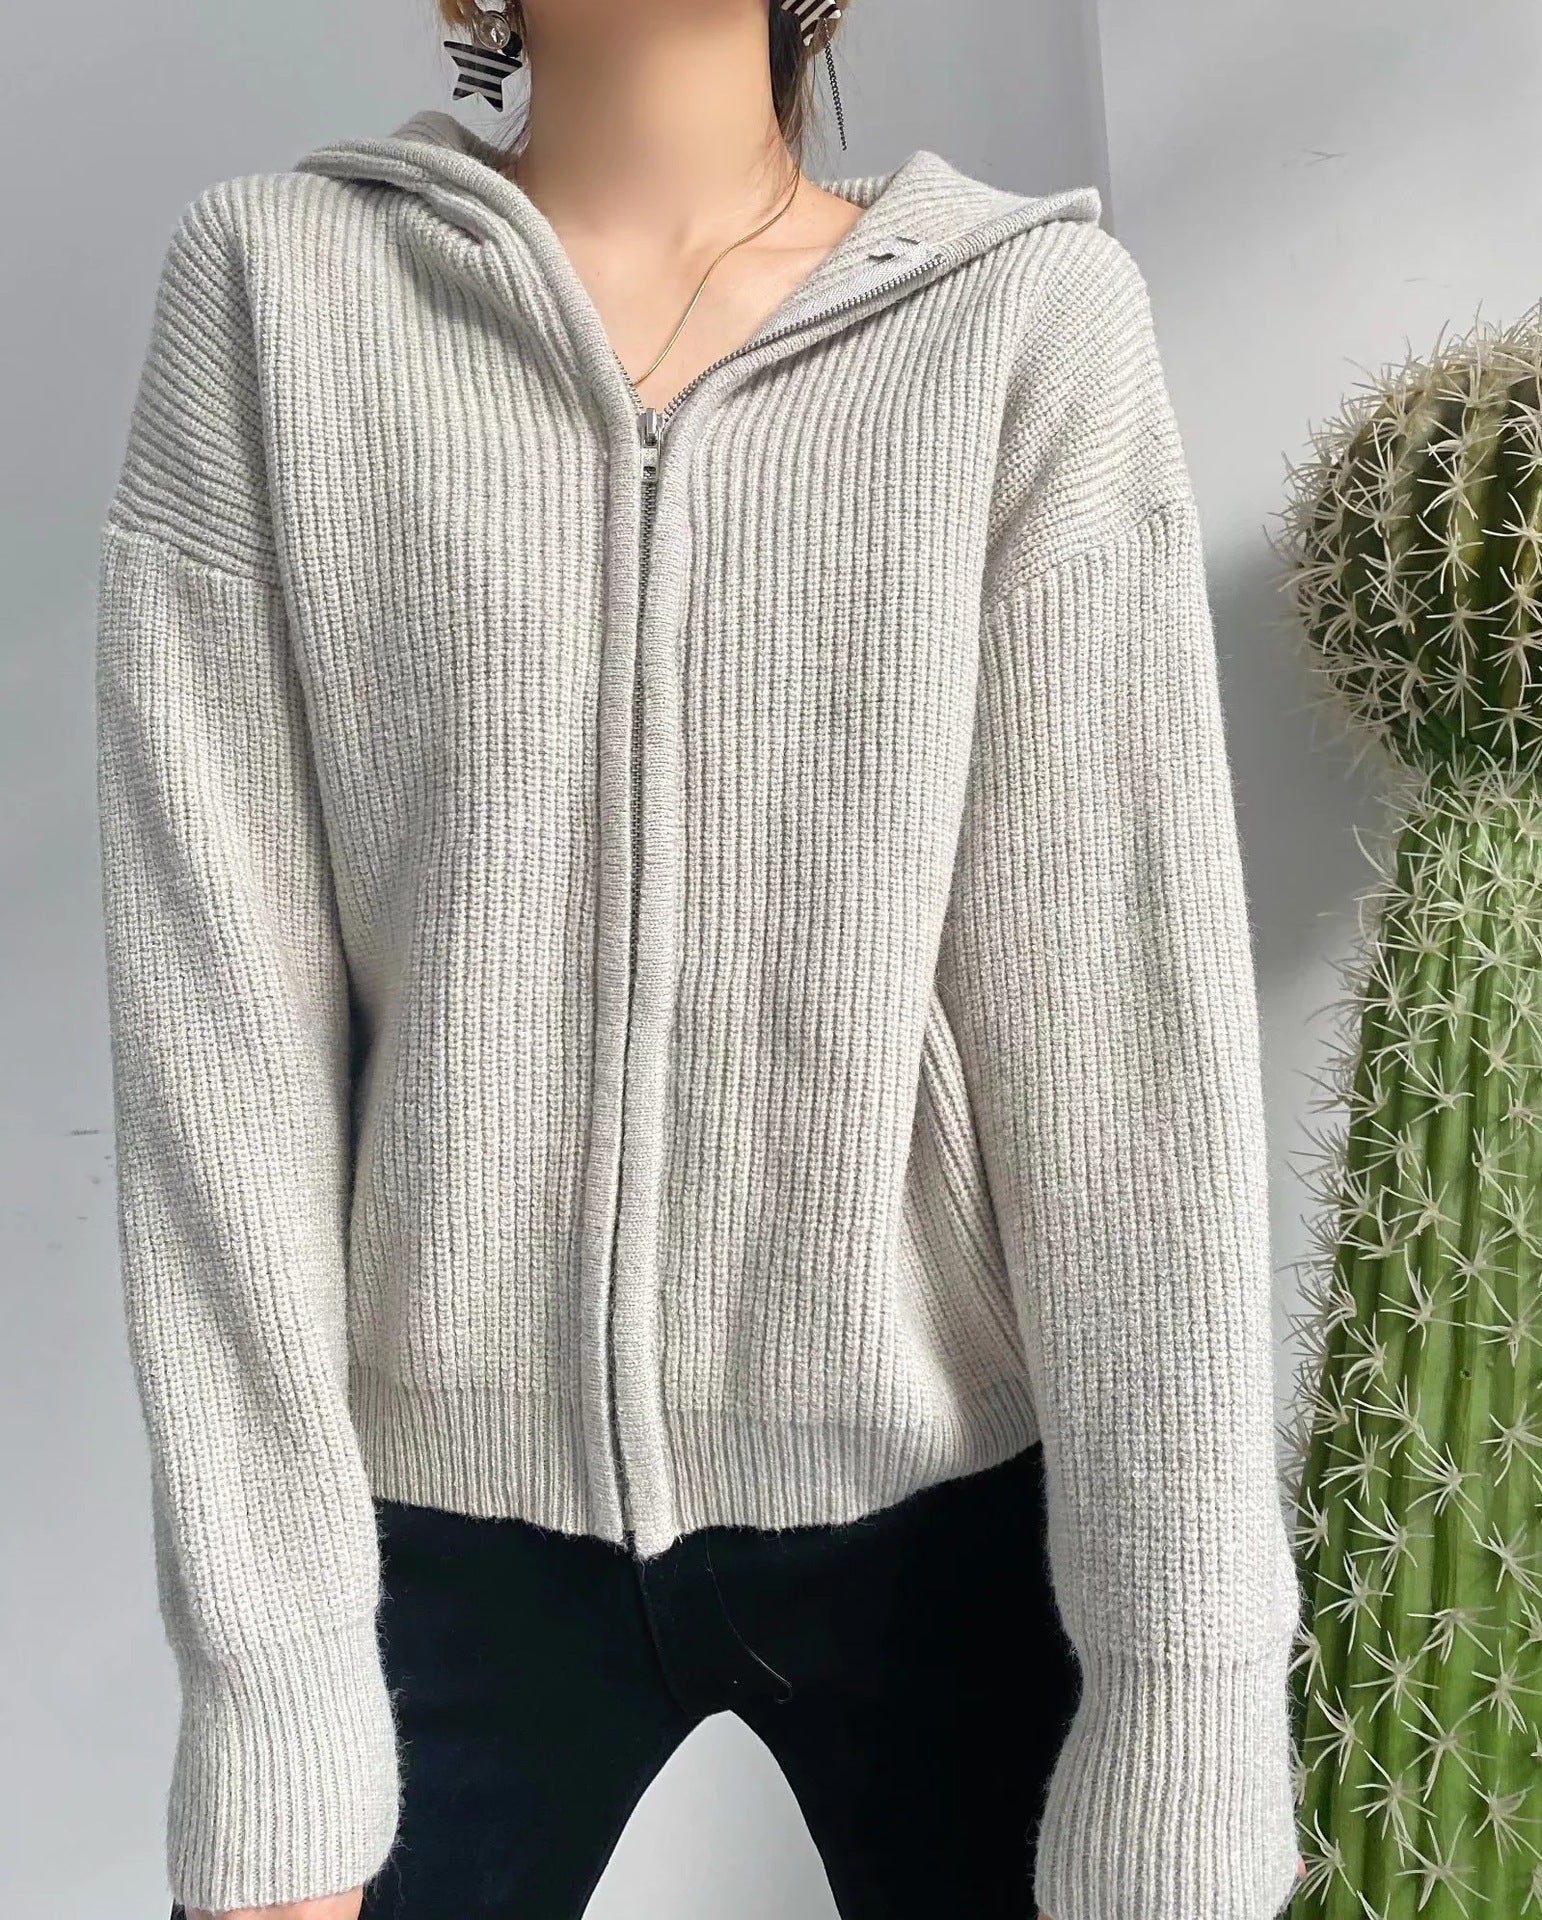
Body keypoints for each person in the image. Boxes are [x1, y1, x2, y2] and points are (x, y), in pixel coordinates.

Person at [94, 3, 1309, 1917]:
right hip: (422, 1526)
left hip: (942, 1505)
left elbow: (1121, 1059)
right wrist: (268, 1680)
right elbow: (213, 1039)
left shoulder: (1019, 325)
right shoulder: (276, 295)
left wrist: (1187, 1693)